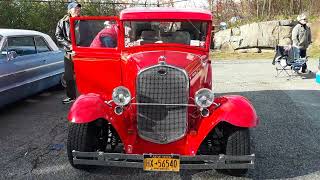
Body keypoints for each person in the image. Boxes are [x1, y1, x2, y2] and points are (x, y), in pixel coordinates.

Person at [55, 2, 81, 104]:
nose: (78, 10)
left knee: (84, 75)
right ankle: (71, 97)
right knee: (68, 76)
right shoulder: (62, 22)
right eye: (75, 8)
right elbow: (58, 36)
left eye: (79, 9)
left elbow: (90, 35)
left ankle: (85, 96)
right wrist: (70, 46)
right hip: (69, 53)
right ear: (69, 10)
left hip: (82, 52)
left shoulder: (83, 21)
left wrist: (81, 48)